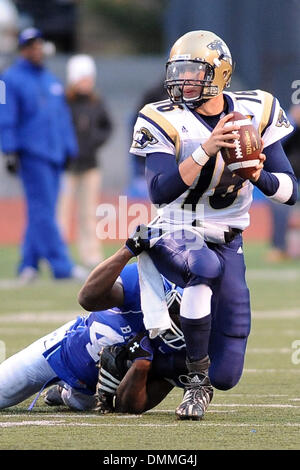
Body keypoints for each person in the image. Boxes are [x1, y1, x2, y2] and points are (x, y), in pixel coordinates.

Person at [129, 30, 298, 420]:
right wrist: (207, 149)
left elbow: (291, 191)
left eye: (192, 72)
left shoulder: (257, 110)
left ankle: (142, 360)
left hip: (228, 237)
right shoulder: (160, 117)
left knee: (227, 373)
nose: (183, 80)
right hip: (173, 229)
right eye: (178, 72)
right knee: (203, 269)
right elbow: (159, 190)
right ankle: (196, 385)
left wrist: (259, 176)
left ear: (220, 74)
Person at [0, 251, 185, 412]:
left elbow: (129, 407)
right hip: (62, 353)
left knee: (80, 401)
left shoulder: (181, 354)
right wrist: (126, 252)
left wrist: (141, 365)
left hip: (95, 394)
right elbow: (87, 298)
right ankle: (65, 392)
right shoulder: (145, 280)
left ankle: (65, 395)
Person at [0, 28, 86, 283]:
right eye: (29, 46)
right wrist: (10, 150)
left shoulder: (51, 80)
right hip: (31, 152)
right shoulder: (8, 80)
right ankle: (62, 266)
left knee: (42, 210)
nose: (35, 49)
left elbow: (62, 118)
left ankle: (28, 264)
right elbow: (5, 117)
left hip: (55, 153)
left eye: (38, 44)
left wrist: (70, 147)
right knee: (43, 211)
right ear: (22, 50)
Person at [59, 54, 113, 268]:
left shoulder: (96, 102)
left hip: (90, 166)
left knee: (89, 213)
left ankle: (90, 254)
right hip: (66, 166)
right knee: (61, 211)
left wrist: (93, 142)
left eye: (89, 78)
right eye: (82, 78)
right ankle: (59, 254)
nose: (86, 82)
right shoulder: (63, 101)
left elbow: (107, 126)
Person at [266, 104, 300, 261]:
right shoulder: (287, 121)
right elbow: (274, 141)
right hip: (287, 176)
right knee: (278, 205)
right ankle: (279, 248)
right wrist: (293, 121)